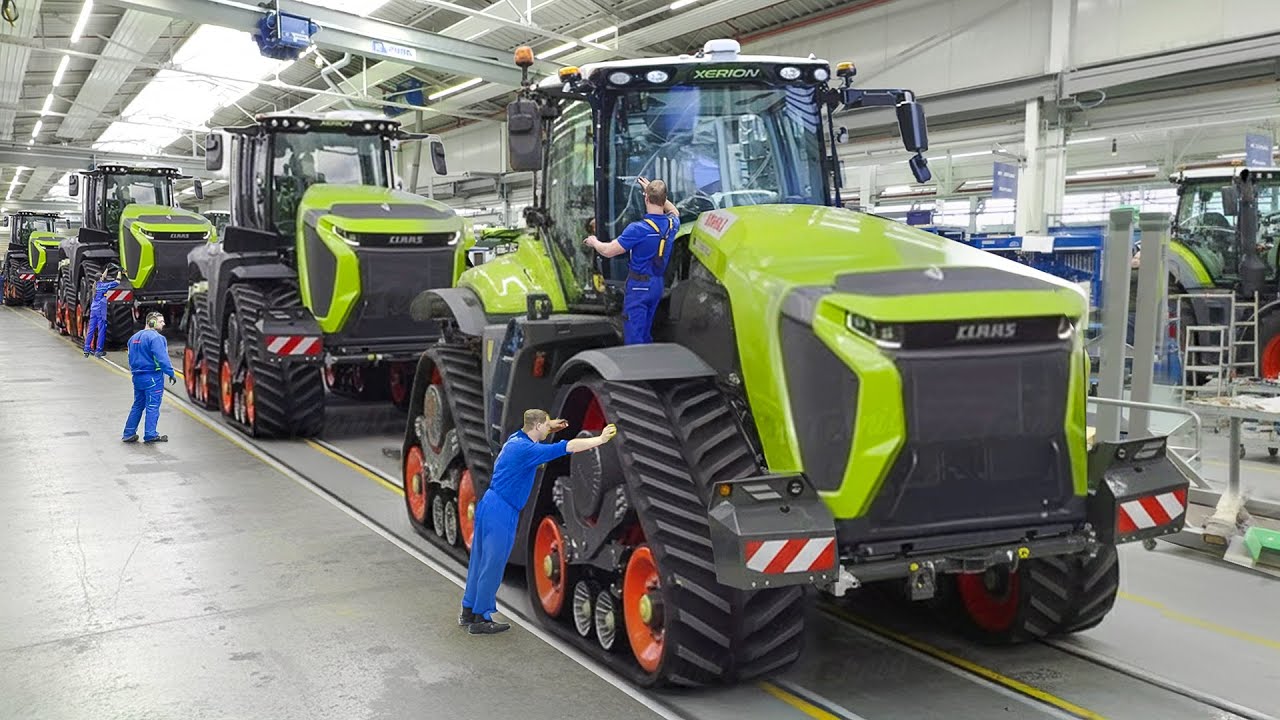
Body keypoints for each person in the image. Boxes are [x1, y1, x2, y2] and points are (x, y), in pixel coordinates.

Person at [460, 409, 617, 634]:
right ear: (536, 427)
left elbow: (538, 428)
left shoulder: (516, 439)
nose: (547, 430)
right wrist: (600, 439)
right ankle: (480, 619)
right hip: (503, 510)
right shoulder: (528, 450)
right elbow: (569, 446)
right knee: (493, 564)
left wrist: (552, 425)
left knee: (479, 559)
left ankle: (468, 610)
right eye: (545, 426)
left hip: (490, 503)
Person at [584, 177, 680, 344]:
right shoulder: (672, 224)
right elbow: (674, 211)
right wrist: (652, 191)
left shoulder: (638, 229)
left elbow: (608, 251)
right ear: (664, 199)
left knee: (634, 337)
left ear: (646, 199)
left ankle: (637, 359)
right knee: (646, 332)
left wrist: (594, 242)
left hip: (639, 287)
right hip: (657, 286)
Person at [122, 311, 176, 444]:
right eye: (161, 321)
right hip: (152, 377)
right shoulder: (156, 338)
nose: (164, 324)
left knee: (138, 405)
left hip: (137, 377)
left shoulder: (133, 338)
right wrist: (170, 373)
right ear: (152, 322)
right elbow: (162, 359)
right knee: (153, 406)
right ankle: (150, 434)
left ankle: (128, 433)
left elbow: (130, 358)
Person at [83, 265, 122, 358]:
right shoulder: (104, 286)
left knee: (91, 329)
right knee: (101, 330)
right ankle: (99, 350)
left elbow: (102, 277)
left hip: (93, 309)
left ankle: (87, 349)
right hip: (100, 310)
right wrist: (119, 271)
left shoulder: (95, 285)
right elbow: (117, 282)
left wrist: (107, 269)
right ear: (100, 278)